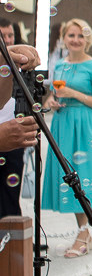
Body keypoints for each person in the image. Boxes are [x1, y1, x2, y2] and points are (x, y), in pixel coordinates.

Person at [40, 18, 92, 257]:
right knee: (70, 179)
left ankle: (84, 233)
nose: (75, 40)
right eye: (71, 35)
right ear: (64, 38)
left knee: (84, 178)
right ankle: (83, 231)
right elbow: (52, 95)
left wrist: (73, 93)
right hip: (64, 125)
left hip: (86, 126)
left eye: (80, 36)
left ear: (87, 39)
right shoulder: (59, 65)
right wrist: (51, 102)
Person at [0, 21, 41, 215]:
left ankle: (12, 239)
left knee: (10, 196)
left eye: (9, 35)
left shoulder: (15, 64)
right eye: (2, 36)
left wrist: (6, 58)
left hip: (13, 135)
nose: (6, 40)